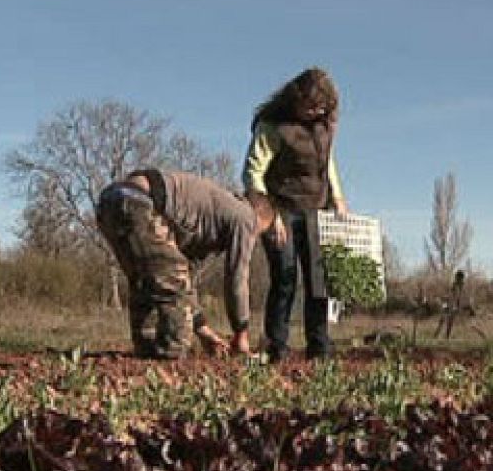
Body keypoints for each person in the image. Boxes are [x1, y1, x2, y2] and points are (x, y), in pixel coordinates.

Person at [94, 167, 273, 359]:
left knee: (146, 283)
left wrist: (203, 330)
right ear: (258, 217)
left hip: (111, 200)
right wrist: (241, 332)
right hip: (139, 202)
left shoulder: (210, 215)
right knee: (170, 289)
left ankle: (146, 355)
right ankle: (171, 359)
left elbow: (181, 279)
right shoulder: (246, 216)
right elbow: (237, 278)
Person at [243, 67, 348, 362]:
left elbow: (327, 164)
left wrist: (338, 197)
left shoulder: (325, 127)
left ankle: (319, 346)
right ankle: (277, 346)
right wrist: (269, 214)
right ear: (295, 99)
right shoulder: (273, 126)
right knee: (285, 277)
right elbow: (253, 172)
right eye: (310, 106)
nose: (315, 112)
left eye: (321, 108)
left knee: (320, 281)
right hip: (282, 210)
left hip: (318, 211)